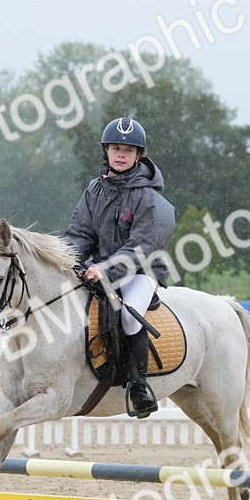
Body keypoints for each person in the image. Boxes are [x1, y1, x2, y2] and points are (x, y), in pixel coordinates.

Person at [62, 117, 175, 418]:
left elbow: (142, 247)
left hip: (142, 272)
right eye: (115, 148)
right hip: (102, 267)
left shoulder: (151, 199)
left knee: (128, 317)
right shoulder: (94, 190)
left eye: (128, 149)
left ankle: (138, 387)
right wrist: (67, 259)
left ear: (139, 155)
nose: (121, 154)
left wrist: (106, 269)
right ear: (106, 151)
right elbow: (80, 233)